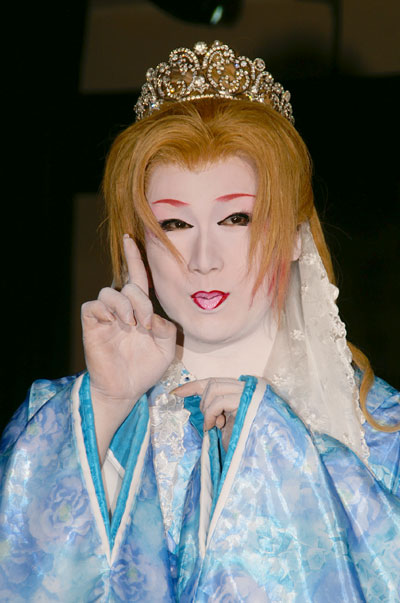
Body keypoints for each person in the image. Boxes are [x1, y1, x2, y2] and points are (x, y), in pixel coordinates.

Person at [1, 41, 399, 602]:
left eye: (237, 218)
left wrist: (277, 454)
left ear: (293, 235)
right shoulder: (59, 422)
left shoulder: (382, 432)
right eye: (174, 225)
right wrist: (107, 409)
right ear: (139, 243)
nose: (203, 259)